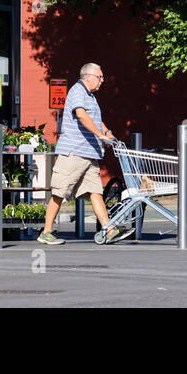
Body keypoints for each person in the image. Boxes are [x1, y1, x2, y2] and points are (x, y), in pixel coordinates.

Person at [38, 63, 130, 245]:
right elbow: (81, 115)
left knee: (96, 192)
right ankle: (46, 232)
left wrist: (107, 133)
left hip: (89, 154)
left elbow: (95, 119)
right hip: (74, 152)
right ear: (88, 76)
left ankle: (109, 229)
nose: (102, 81)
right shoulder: (77, 91)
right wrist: (99, 135)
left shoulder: (91, 96)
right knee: (60, 192)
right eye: (100, 77)